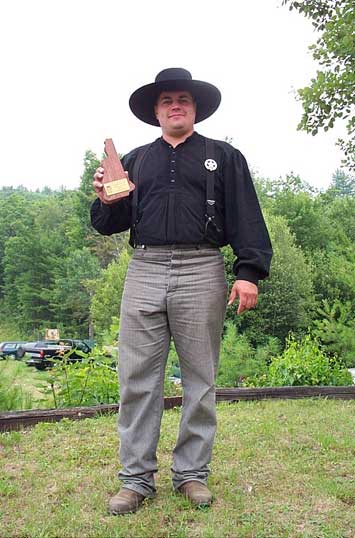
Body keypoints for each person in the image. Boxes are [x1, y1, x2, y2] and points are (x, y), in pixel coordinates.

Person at [91, 68, 272, 515]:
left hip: (201, 268)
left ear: (194, 108)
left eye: (184, 99)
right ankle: (135, 479)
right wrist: (108, 200)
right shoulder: (133, 161)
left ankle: (191, 474)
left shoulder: (224, 157)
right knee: (136, 379)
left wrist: (248, 271)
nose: (176, 105)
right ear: (155, 111)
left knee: (200, 379)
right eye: (168, 99)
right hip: (145, 267)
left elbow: (247, 216)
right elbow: (107, 223)